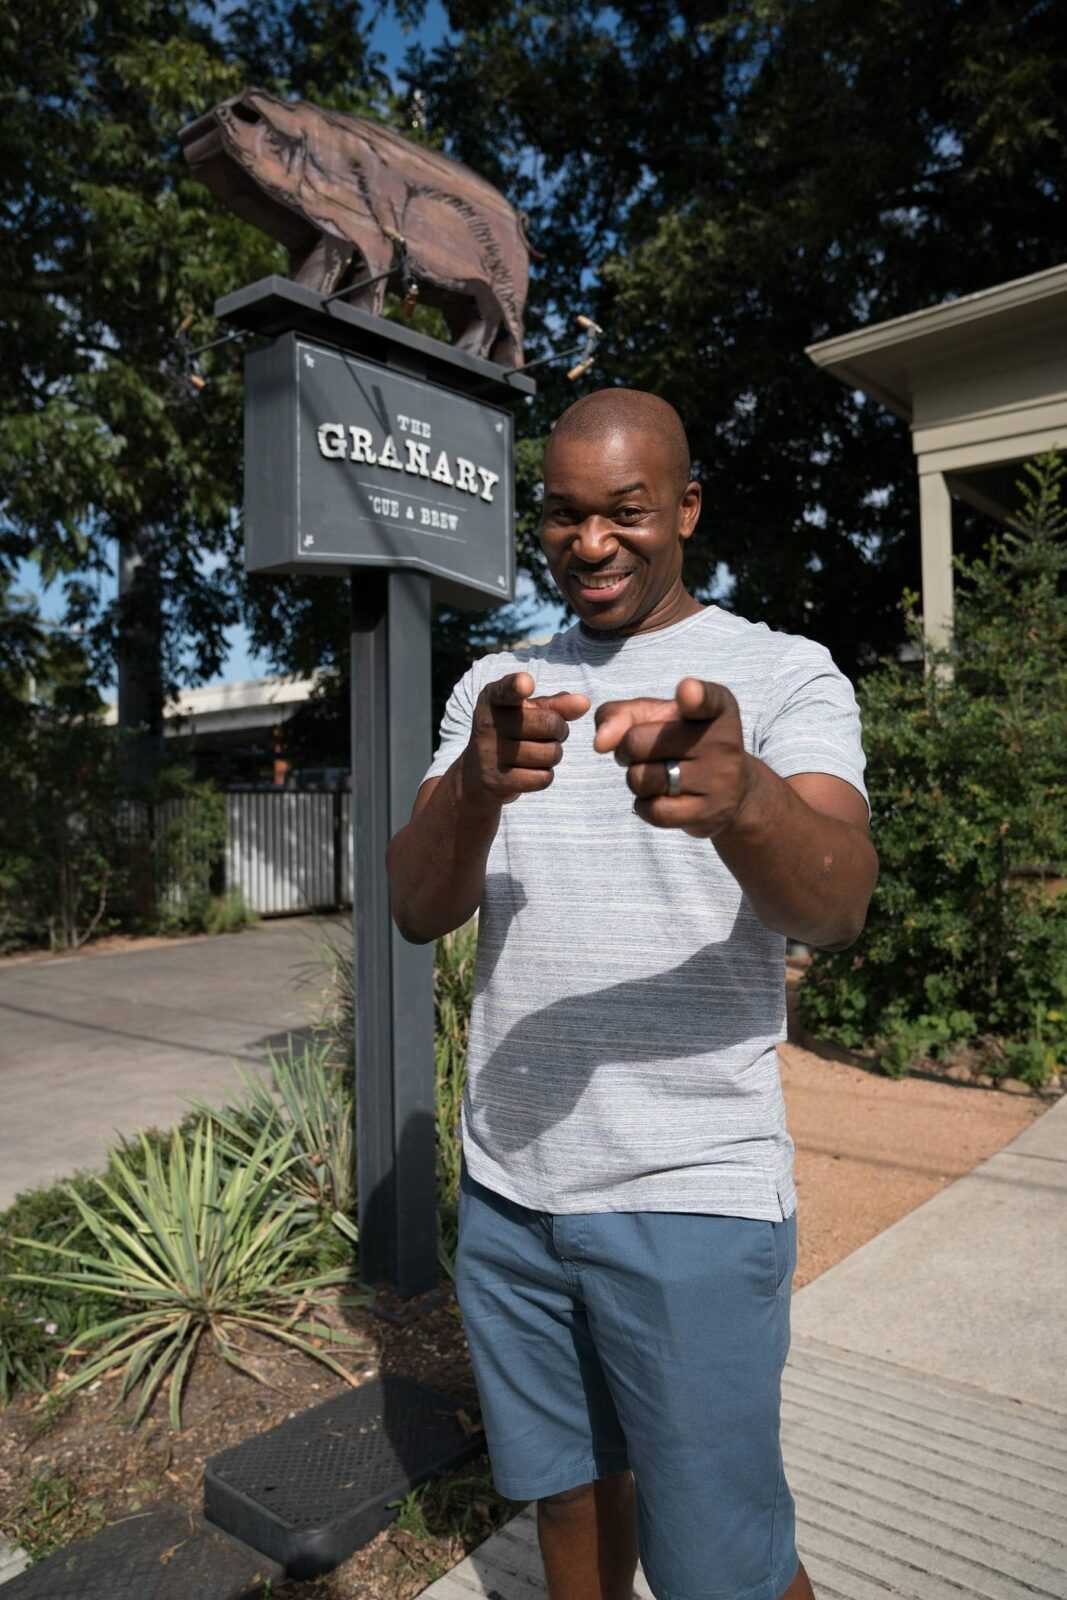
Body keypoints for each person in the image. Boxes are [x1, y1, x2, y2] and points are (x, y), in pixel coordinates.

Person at [385, 388, 878, 1600]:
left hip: (690, 1202)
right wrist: (475, 792)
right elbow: (414, 904)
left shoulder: (781, 673)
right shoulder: (496, 686)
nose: (589, 542)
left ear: (686, 509)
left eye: (625, 512)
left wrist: (743, 799)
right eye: (561, 514)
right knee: (572, 1510)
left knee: (723, 1565)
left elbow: (837, 900)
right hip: (509, 1197)